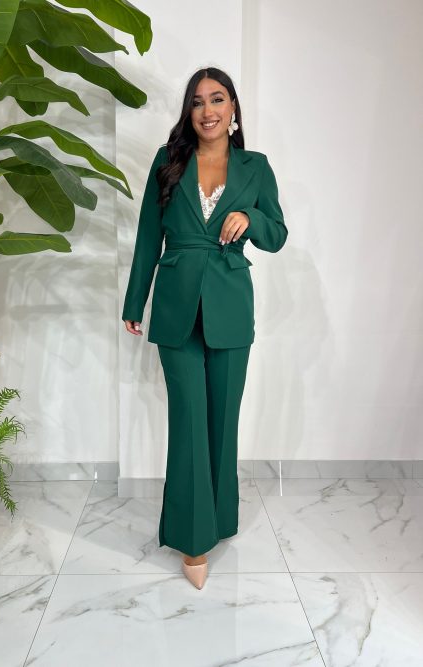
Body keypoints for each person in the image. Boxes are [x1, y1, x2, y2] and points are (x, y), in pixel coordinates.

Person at [122, 66, 288, 589]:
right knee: (190, 419)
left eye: (218, 99)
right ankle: (193, 540)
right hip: (176, 304)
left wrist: (252, 220)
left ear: (233, 108)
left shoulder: (256, 167)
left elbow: (278, 234)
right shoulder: (168, 161)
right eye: (197, 102)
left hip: (230, 305)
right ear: (189, 112)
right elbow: (148, 234)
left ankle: (219, 519)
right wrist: (135, 299)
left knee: (223, 420)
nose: (208, 110)